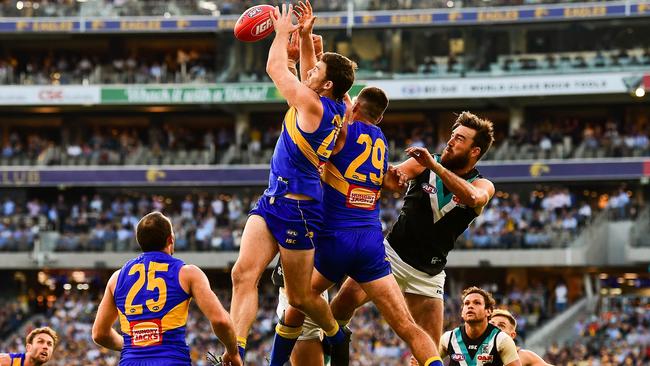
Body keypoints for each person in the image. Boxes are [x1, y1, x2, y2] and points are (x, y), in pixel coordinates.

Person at [271, 86, 444, 366]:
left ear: (356, 109)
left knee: (298, 302)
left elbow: (324, 100)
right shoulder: (381, 141)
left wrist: (312, 52)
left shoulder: (341, 133)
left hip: (335, 238)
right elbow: (387, 180)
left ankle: (294, 354)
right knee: (408, 327)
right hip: (370, 242)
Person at [228, 3, 357, 363]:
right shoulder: (326, 103)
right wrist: (304, 38)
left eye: (316, 69)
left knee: (299, 298)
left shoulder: (313, 106)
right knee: (243, 274)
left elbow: (274, 68)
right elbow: (307, 72)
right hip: (274, 198)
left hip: (299, 209)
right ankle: (236, 348)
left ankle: (335, 332)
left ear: (326, 84)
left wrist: (282, 30)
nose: (308, 69)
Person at [330, 111, 496, 349]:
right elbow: (390, 178)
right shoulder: (421, 163)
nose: (450, 141)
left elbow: (473, 197)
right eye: (452, 135)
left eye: (460, 138)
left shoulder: (482, 184)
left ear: (475, 152)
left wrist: (434, 166)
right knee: (339, 309)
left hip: (428, 275)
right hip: (389, 258)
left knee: (429, 350)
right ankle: (330, 352)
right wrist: (386, 173)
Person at [92, 212, 241, 366]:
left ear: (140, 242)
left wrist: (134, 346)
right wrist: (232, 351)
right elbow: (220, 320)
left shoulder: (116, 278)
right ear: (170, 239)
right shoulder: (188, 273)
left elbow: (100, 334)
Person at [440, 287, 521, 366]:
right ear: (462, 312)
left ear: (488, 311)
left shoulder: (501, 339)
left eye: (477, 303)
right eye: (467, 303)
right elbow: (429, 360)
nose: (470, 306)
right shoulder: (448, 338)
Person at [489, 309, 554, 366]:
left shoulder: (523, 355)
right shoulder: (479, 351)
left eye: (501, 325)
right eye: (492, 324)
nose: (495, 327)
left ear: (512, 335)